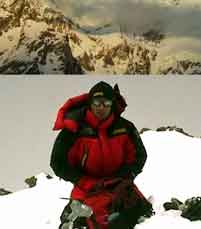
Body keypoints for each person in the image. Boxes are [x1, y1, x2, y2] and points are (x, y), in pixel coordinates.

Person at [51, 81, 152, 229]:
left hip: (119, 185)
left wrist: (125, 177)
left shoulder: (125, 128)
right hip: (86, 188)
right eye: (97, 102)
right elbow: (58, 162)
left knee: (142, 215)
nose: (101, 107)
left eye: (106, 103)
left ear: (112, 104)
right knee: (79, 221)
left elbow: (139, 156)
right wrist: (83, 181)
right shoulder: (73, 131)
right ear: (90, 103)